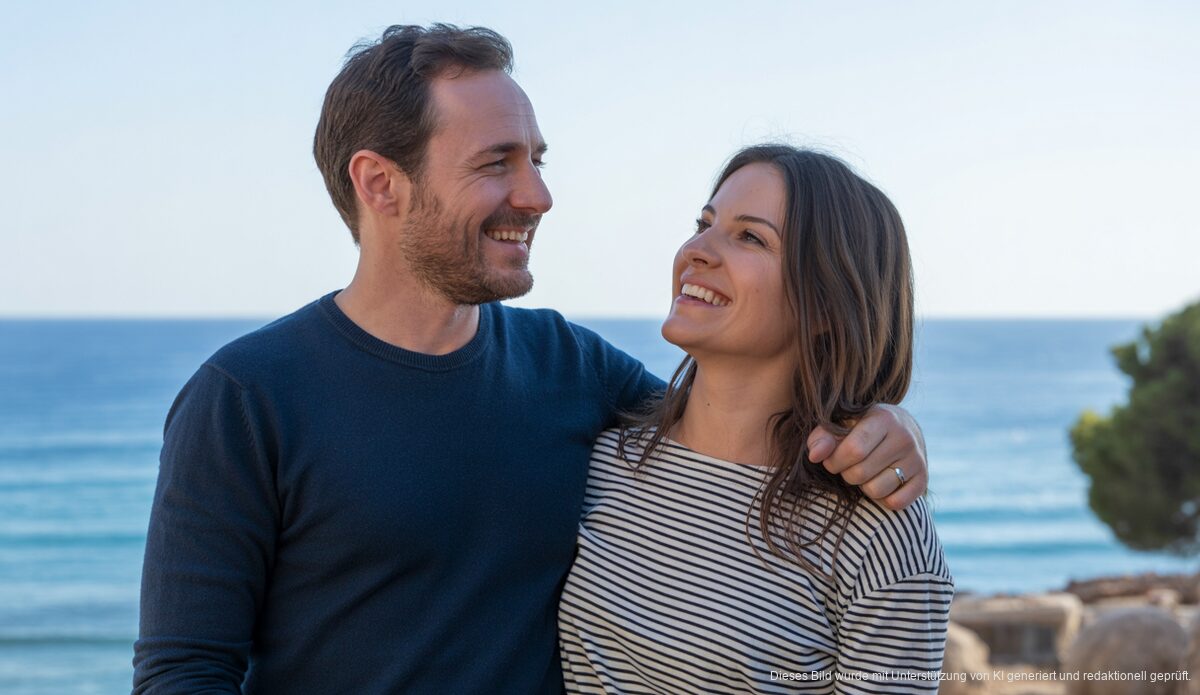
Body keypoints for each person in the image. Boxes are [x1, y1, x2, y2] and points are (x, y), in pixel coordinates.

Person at [133, 26, 931, 693]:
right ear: (381, 183)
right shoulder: (246, 396)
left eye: (537, 160)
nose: (538, 195)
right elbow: (184, 669)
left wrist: (881, 420)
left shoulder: (571, 367)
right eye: (496, 163)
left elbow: (733, 434)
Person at [558, 145, 953, 693]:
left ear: (826, 305)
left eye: (750, 237)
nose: (697, 250)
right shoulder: (604, 458)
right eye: (704, 223)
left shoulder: (878, 534)